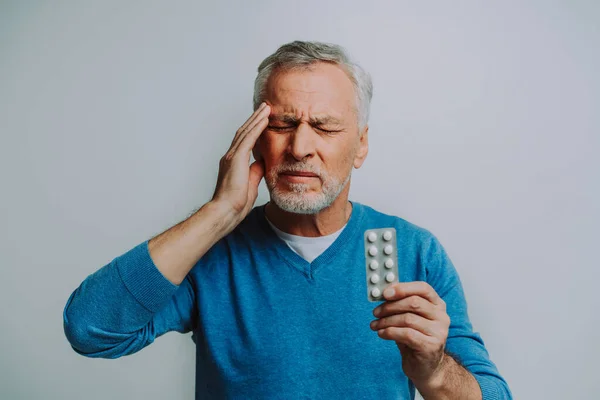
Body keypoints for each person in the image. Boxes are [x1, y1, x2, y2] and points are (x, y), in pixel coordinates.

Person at [63, 40, 512, 399]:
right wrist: (219, 212)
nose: (300, 147)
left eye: (325, 126)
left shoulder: (416, 251)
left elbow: (494, 396)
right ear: (255, 139)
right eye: (282, 125)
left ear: (360, 145)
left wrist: (434, 374)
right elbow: (89, 329)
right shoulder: (212, 253)